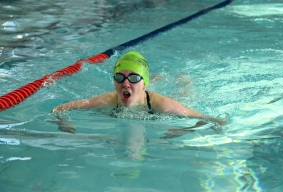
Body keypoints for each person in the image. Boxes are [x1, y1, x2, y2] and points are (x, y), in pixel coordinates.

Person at [51, 51, 229, 134]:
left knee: (185, 92)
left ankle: (183, 78)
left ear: (144, 83)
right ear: (114, 81)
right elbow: (59, 108)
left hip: (154, 101)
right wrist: (62, 122)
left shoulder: (163, 105)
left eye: (134, 78)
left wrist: (184, 129)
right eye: (120, 77)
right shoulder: (108, 100)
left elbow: (212, 119)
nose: (126, 84)